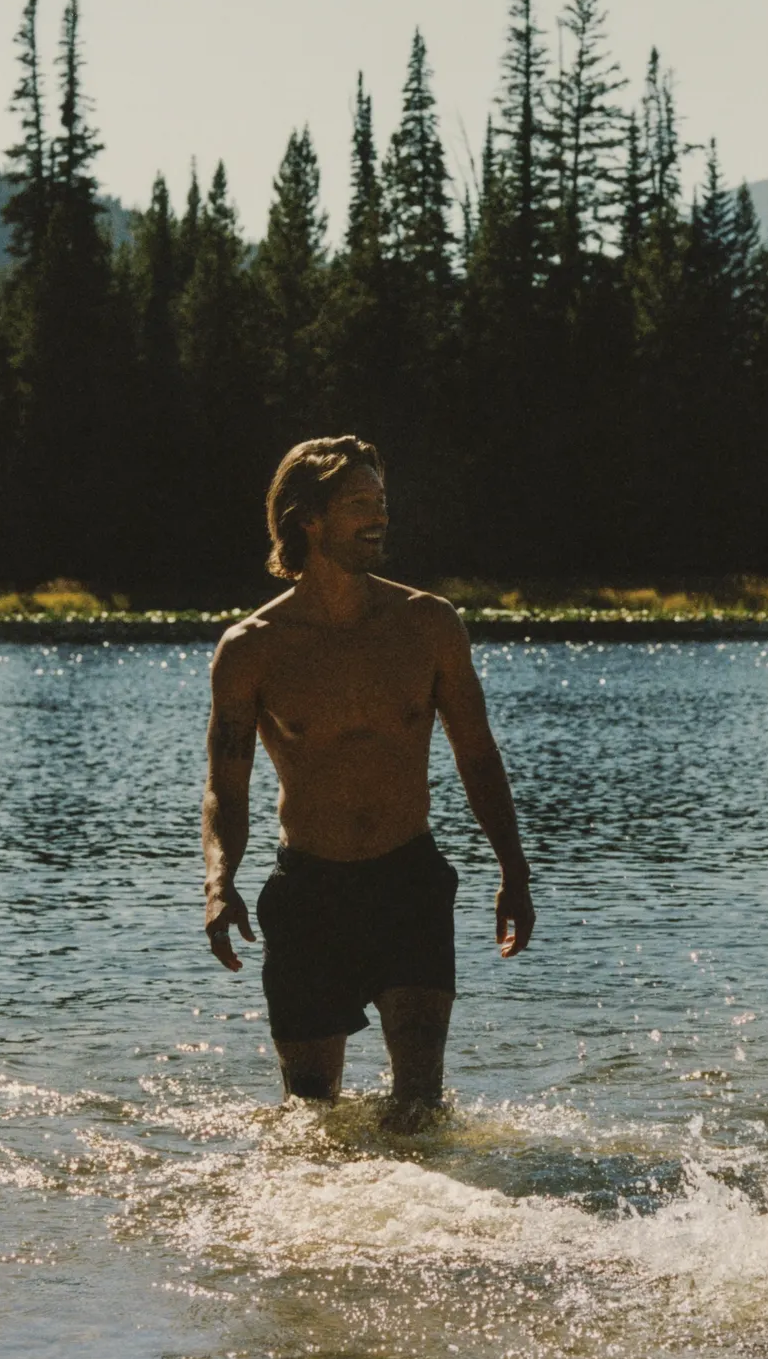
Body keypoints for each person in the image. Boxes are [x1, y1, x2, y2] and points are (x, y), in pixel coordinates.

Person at [200, 436, 533, 1129]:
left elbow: (478, 755)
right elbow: (225, 788)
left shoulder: (428, 624)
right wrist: (219, 882)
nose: (379, 517)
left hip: (407, 884)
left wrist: (514, 869)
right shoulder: (252, 647)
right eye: (359, 504)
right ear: (309, 518)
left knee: (419, 1108)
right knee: (310, 1118)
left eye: (382, 502)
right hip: (308, 895)